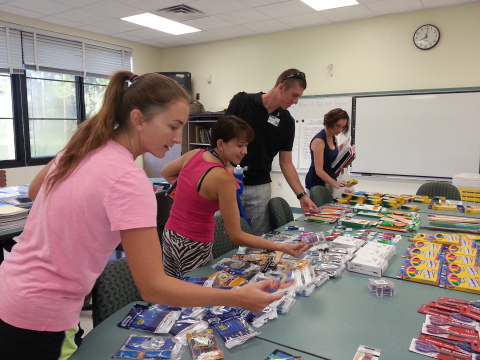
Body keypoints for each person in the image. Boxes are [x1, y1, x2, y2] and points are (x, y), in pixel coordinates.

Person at [0, 72, 285, 360]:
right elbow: (153, 288)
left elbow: (37, 190)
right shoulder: (128, 179)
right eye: (173, 126)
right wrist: (238, 297)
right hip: (42, 314)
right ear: (138, 119)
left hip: (10, 287)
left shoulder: (82, 147)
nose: (177, 138)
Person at [161, 115, 311, 278]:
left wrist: (190, 195)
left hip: (170, 234)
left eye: (246, 145)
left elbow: (166, 172)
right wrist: (282, 247)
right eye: (240, 145)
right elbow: (236, 235)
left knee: (172, 293)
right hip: (194, 244)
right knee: (195, 295)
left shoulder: (195, 154)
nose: (245, 151)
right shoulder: (222, 178)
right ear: (220, 144)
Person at [225, 69, 318, 235]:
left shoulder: (287, 122)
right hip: (228, 181)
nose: (296, 101)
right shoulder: (242, 101)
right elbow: (220, 141)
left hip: (260, 187)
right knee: (224, 236)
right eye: (294, 95)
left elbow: (286, 163)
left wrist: (301, 195)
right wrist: (225, 168)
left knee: (258, 241)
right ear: (281, 87)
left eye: (299, 97)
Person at [305, 108, 350, 192]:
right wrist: (335, 183)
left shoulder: (333, 138)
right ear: (330, 122)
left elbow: (331, 163)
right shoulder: (319, 141)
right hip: (317, 184)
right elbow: (319, 170)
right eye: (338, 125)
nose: (340, 130)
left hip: (329, 181)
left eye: (343, 127)